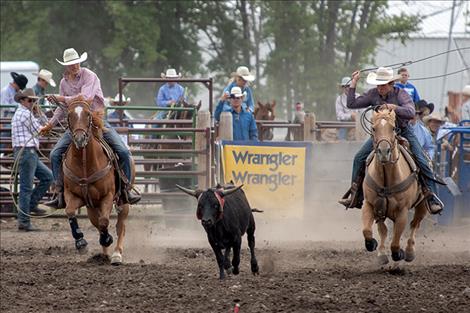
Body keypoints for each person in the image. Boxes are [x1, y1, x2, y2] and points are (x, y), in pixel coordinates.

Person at [40, 48, 140, 209]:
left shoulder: (90, 76)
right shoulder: (64, 82)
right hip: (76, 124)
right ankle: (59, 191)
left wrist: (61, 98)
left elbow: (86, 98)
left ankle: (126, 190)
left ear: (79, 61)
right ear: (66, 65)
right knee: (55, 153)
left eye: (75, 62)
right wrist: (50, 124)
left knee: (123, 151)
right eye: (70, 63)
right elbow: (61, 108)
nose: (74, 65)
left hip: (96, 120)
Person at [338, 67, 443, 214]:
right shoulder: (372, 94)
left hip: (403, 131)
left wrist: (395, 107)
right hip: (381, 135)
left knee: (421, 159)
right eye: (378, 84)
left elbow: (411, 112)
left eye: (383, 84)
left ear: (391, 83)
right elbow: (351, 104)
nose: (380, 88)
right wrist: (354, 83)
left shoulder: (401, 94)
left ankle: (432, 197)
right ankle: (356, 194)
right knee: (359, 158)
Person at [12, 88, 53, 231]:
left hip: (27, 153)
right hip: (27, 153)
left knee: (48, 177)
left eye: (34, 100)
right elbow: (40, 130)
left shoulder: (23, 113)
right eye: (30, 100)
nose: (33, 103)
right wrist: (42, 116)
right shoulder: (25, 114)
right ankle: (24, 220)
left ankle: (30, 206)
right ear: (23, 100)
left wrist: (38, 113)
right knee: (26, 187)